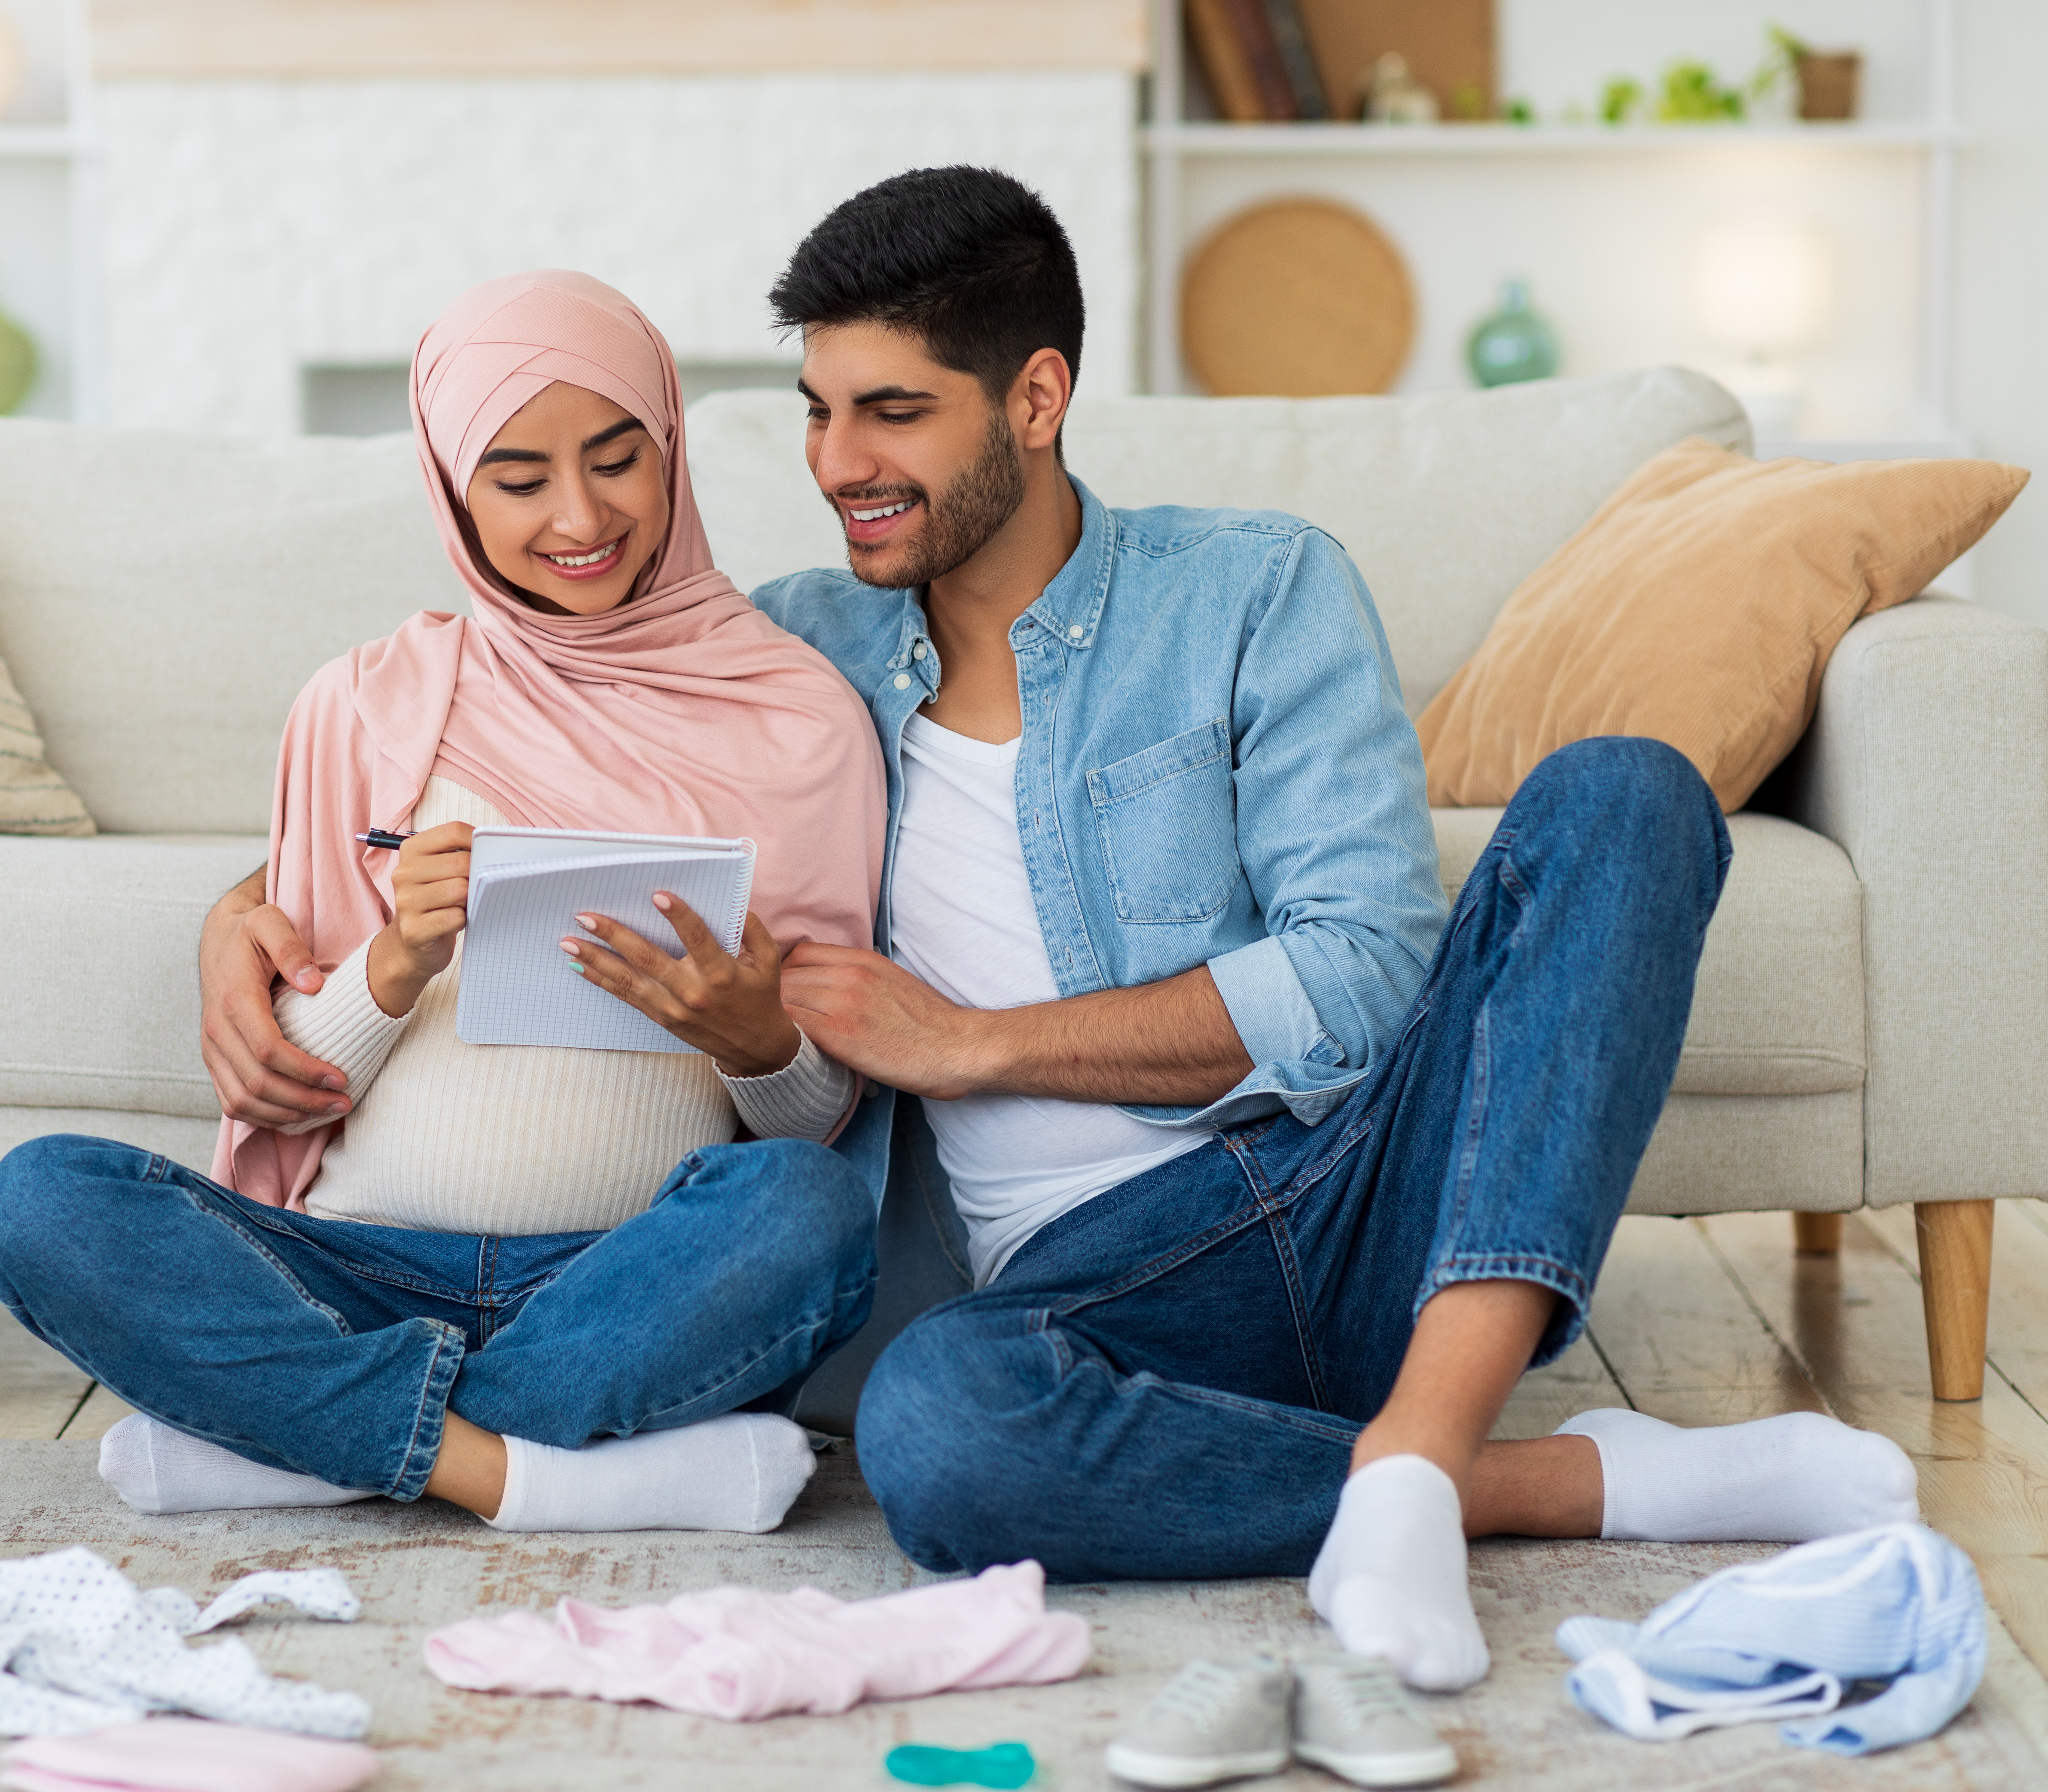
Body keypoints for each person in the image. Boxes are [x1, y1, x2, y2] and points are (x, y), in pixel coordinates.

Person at [202, 176, 1920, 1694]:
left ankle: (1412, 1443)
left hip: (1339, 1191)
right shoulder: (779, 658)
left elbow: (1359, 974)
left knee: (1623, 796)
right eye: (813, 414)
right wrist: (238, 915)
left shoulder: (1255, 591)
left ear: (1035, 397)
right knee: (930, 1439)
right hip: (1080, 1299)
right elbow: (515, 720)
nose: (837, 468)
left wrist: (973, 1043)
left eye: (891, 413)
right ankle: (1522, 1483)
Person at [0, 271, 889, 1537]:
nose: (581, 515)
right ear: (453, 489)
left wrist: (756, 1041)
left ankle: (308, 1439)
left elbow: (821, 1120)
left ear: (673, 448)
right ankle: (516, 1470)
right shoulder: (366, 703)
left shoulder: (796, 716)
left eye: (619, 461)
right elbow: (276, 1089)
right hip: (354, 1270)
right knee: (40, 1201)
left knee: (811, 1212)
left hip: (623, 1279)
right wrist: (394, 962)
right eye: (519, 480)